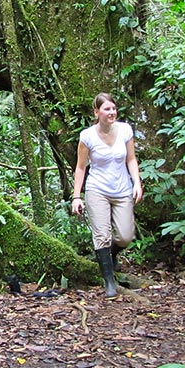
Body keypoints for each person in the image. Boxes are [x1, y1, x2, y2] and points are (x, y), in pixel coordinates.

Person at [71, 92, 143, 298]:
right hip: (97, 190)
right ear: (96, 112)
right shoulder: (87, 136)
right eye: (107, 109)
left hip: (122, 189)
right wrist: (77, 196)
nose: (111, 113)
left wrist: (136, 182)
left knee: (125, 236)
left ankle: (109, 258)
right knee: (102, 235)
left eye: (113, 108)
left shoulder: (125, 131)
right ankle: (109, 281)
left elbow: (131, 159)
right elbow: (81, 167)